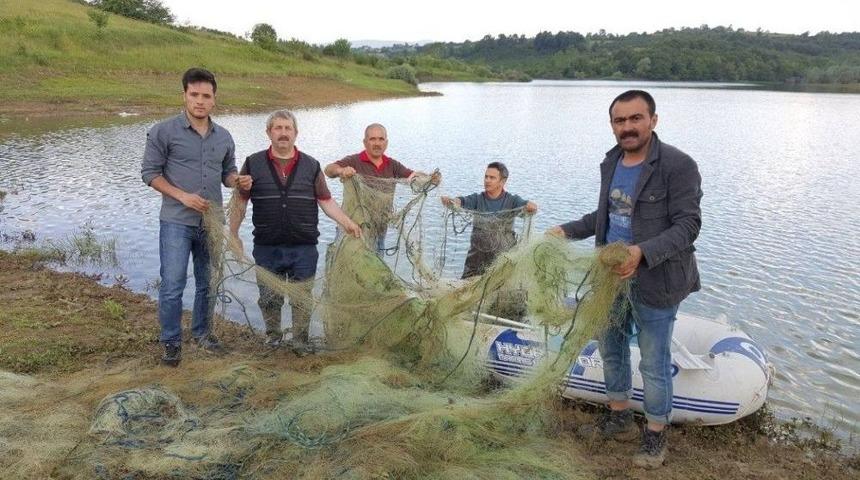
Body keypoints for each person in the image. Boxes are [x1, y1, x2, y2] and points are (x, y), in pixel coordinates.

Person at [548, 90, 702, 469]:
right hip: (610, 279)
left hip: (656, 280)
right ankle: (618, 417)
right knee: (611, 349)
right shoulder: (613, 161)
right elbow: (606, 216)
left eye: (636, 118)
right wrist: (565, 231)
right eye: (620, 121)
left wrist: (642, 252)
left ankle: (655, 434)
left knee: (653, 360)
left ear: (653, 120)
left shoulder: (678, 165)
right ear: (612, 125)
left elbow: (688, 225)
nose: (628, 127)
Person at [141, 67, 252, 367]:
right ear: (185, 96)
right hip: (176, 221)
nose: (200, 101)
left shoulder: (225, 136)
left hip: (212, 223)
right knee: (173, 284)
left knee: (208, 283)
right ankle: (171, 342)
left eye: (206, 96)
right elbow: (149, 174)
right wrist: (182, 195)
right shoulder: (163, 131)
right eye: (194, 95)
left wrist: (236, 181)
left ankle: (203, 334)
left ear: (214, 99)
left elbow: (228, 172)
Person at [229, 110, 362, 350]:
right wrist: (234, 233)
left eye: (287, 128)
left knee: (302, 298)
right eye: (277, 128)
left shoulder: (311, 165)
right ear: (269, 132)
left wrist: (347, 223)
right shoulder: (252, 163)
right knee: (270, 298)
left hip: (304, 247)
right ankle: (273, 338)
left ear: (296, 133)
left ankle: (301, 341)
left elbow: (326, 201)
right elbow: (240, 201)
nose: (283, 133)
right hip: (267, 246)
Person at [324, 123, 440, 253]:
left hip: (379, 230)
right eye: (372, 139)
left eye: (381, 139)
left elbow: (413, 176)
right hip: (353, 228)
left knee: (376, 266)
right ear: (365, 142)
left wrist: (430, 179)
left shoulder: (393, 165)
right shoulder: (354, 160)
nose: (377, 143)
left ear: (386, 142)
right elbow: (328, 170)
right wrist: (341, 170)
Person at [441, 162, 537, 278]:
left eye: (492, 178)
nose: (487, 180)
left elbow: (527, 206)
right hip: (475, 260)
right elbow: (462, 201)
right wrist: (453, 201)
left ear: (502, 181)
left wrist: (531, 206)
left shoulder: (512, 201)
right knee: (466, 293)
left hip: (502, 261)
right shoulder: (477, 199)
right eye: (486, 177)